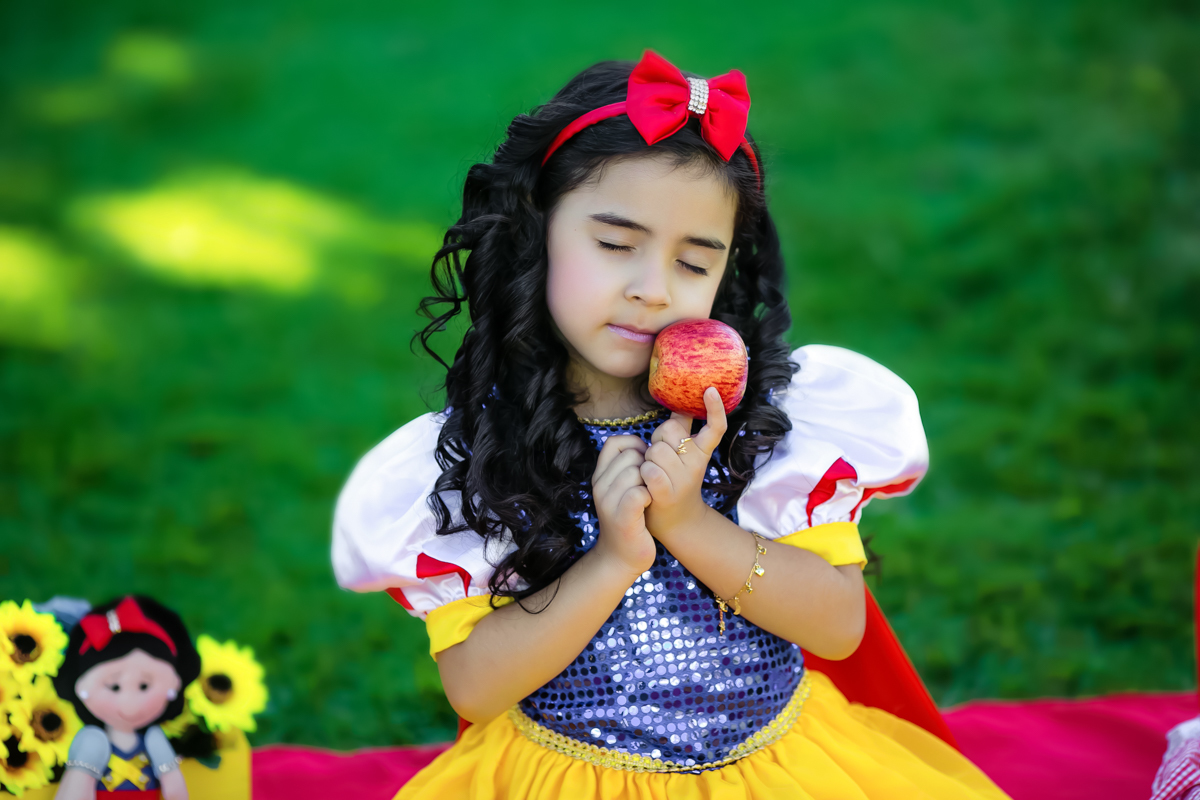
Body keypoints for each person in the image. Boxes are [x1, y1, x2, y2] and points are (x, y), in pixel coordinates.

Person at [333, 50, 1010, 799]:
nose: (652, 289)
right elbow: (475, 687)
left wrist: (689, 522)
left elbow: (837, 625)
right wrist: (612, 560)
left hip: (776, 768)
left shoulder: (758, 423)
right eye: (615, 245)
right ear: (537, 231)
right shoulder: (490, 450)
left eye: (693, 263)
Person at [53, 596, 200, 799]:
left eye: (144, 686)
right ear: (81, 688)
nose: (129, 704)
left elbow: (173, 785)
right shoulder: (93, 740)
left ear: (174, 684)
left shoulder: (154, 739)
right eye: (114, 687)